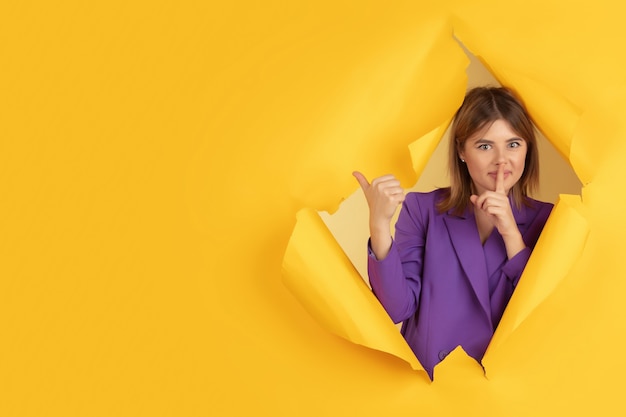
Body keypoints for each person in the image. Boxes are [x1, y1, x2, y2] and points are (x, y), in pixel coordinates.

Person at [353, 86, 553, 379]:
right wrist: (379, 226)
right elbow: (396, 309)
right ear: (461, 150)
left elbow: (545, 319)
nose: (502, 160)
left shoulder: (547, 218)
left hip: (505, 388)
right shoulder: (423, 210)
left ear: (527, 148)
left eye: (513, 144)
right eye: (485, 146)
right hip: (432, 388)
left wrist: (512, 235)